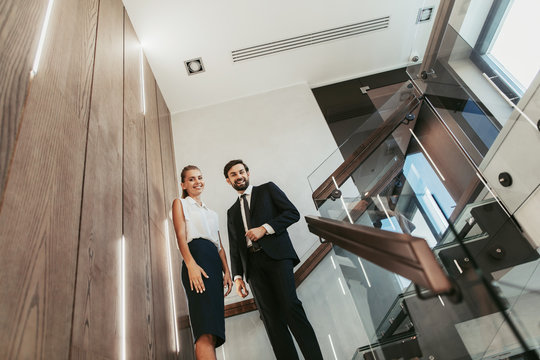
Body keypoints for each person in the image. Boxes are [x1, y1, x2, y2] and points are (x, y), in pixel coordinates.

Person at [223, 159, 323, 360]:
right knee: (271, 320)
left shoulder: (267, 190)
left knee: (290, 307)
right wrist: (238, 278)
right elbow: (234, 247)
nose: (239, 176)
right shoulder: (231, 212)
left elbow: (292, 213)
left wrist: (264, 229)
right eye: (233, 174)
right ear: (228, 181)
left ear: (248, 173)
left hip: (278, 258)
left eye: (241, 172)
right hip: (253, 267)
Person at [172, 165, 233, 360]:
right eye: (191, 179)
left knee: (214, 332)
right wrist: (190, 264)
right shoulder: (180, 203)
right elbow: (181, 236)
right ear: (183, 184)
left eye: (199, 177)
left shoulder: (211, 213)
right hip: (197, 261)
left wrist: (227, 272)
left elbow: (219, 246)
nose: (197, 181)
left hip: (214, 266)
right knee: (204, 329)